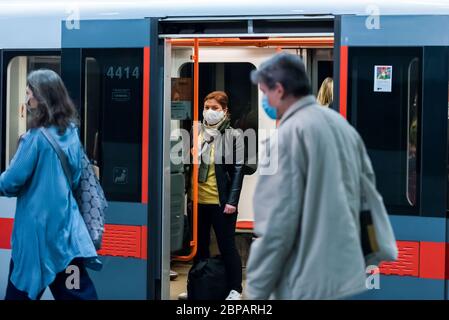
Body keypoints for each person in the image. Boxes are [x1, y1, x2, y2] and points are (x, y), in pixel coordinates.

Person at [245, 53, 373, 300]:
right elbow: (367, 194)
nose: (264, 100)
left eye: (264, 93)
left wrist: (256, 291)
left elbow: (276, 227)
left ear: (279, 90)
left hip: (303, 279)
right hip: (342, 273)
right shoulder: (341, 126)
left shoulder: (287, 136)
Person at [1, 69, 99, 300]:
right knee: (77, 293)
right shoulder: (72, 135)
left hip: (35, 239)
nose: (26, 99)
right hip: (67, 237)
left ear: (42, 98)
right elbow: (75, 178)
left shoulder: (34, 139)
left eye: (28, 93)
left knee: (21, 291)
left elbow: (10, 183)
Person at [182, 91, 245, 300]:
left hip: (220, 201)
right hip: (198, 200)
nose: (209, 111)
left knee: (227, 245)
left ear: (225, 110)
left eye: (215, 108)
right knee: (198, 247)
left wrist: (232, 201)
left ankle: (235, 289)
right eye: (207, 107)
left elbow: (238, 169)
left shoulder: (233, 135)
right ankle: (198, 282)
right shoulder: (197, 132)